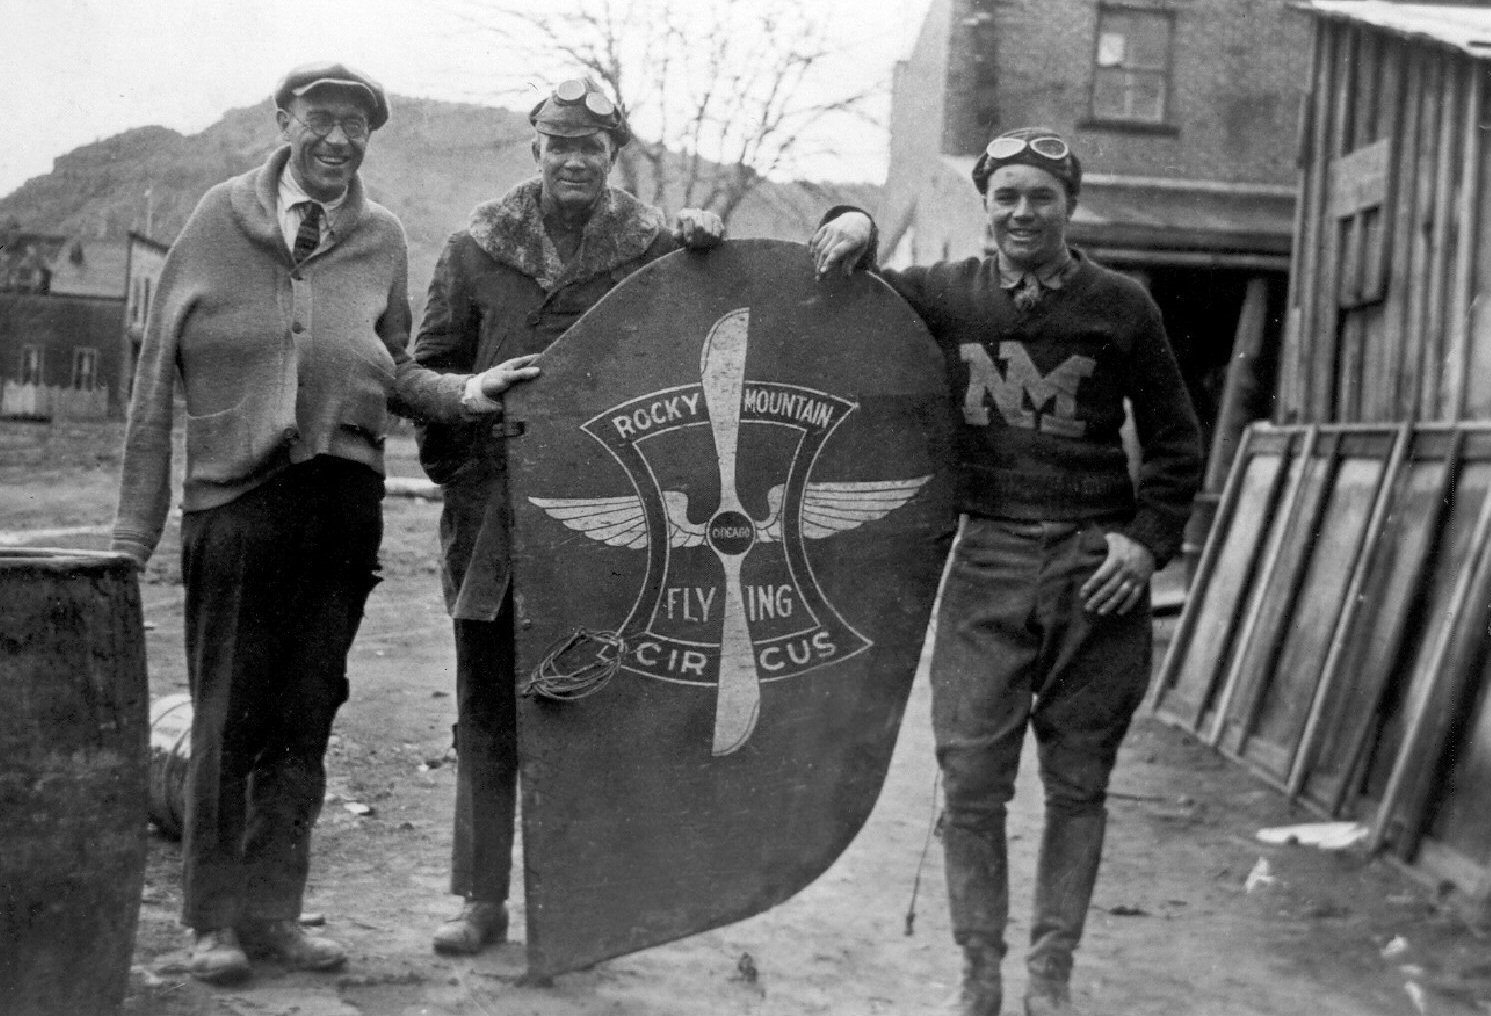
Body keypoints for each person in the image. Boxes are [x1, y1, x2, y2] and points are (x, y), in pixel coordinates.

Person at [110, 62, 534, 985]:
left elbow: (391, 369)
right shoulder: (215, 221)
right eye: (322, 119)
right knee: (226, 718)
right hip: (235, 502)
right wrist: (130, 535)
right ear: (285, 121)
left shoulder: (380, 238)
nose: (339, 139)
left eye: (357, 125)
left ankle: (273, 912)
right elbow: (151, 389)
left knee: (306, 716)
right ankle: (211, 919)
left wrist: (466, 391)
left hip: (342, 505)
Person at [811, 127, 1202, 1016]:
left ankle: (1050, 975)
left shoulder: (1122, 305)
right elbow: (859, 284)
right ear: (985, 206)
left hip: (1092, 571)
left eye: (1041, 197)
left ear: (1069, 205)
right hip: (986, 561)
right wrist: (848, 219)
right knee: (972, 783)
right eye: (1006, 197)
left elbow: (1176, 442)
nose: (1023, 213)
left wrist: (1144, 543)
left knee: (1077, 785)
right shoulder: (948, 295)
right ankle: (978, 973)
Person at [410, 78, 722, 956]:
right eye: (558, 142)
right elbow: (414, 375)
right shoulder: (477, 249)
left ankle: (583, 902)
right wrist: (468, 393)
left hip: (611, 523)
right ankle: (479, 899)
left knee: (596, 711)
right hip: (496, 526)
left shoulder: (653, 248)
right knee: (485, 717)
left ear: (612, 154)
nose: (573, 158)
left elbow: (699, 359)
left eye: (592, 145)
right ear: (534, 148)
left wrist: (708, 246)